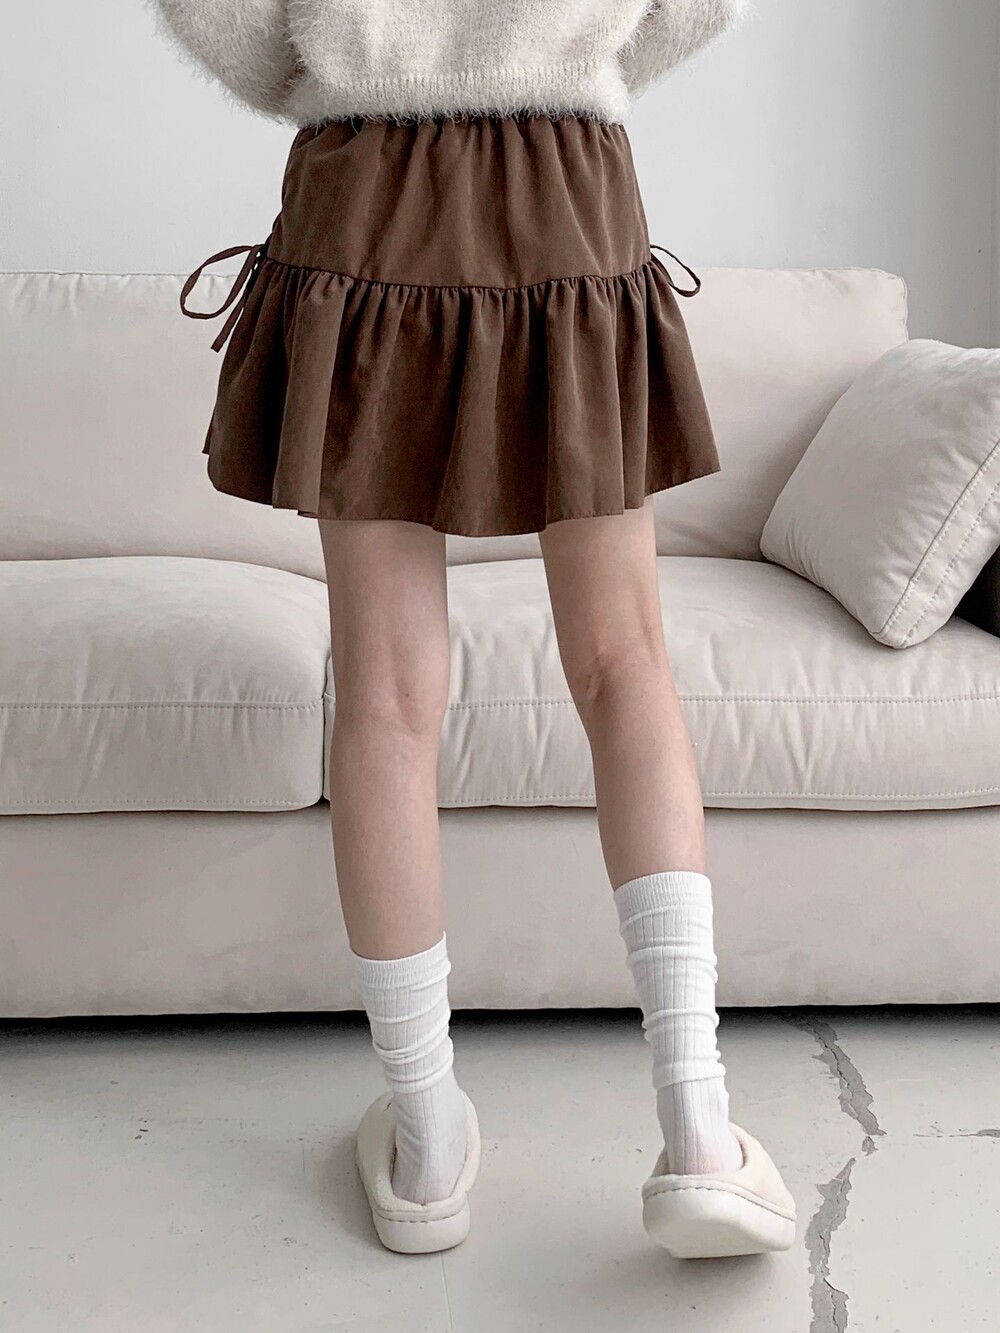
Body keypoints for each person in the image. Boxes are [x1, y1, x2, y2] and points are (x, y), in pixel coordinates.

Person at [155, 0, 796, 1260]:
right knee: (623, 663)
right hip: (565, 185)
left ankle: (425, 1144)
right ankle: (699, 1133)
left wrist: (341, 72)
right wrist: (572, 56)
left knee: (387, 694)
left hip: (364, 190)